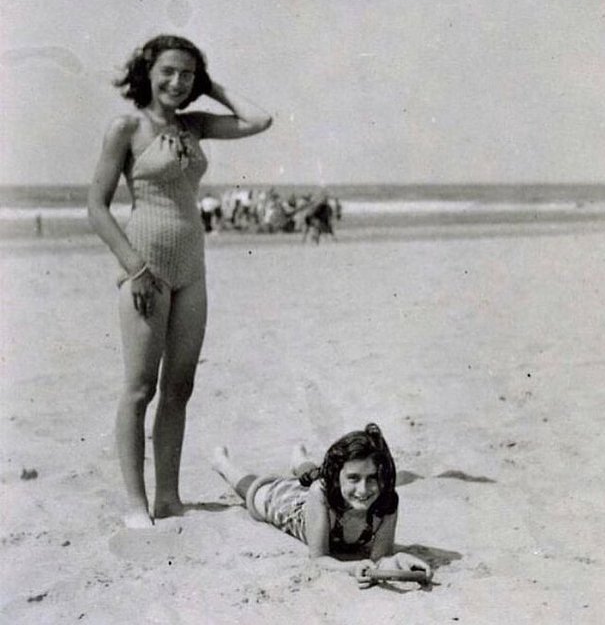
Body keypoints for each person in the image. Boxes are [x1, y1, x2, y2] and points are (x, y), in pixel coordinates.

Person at [88, 35, 272, 528]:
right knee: (139, 387)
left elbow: (259, 119)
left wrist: (213, 86)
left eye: (188, 74)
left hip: (193, 267)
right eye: (168, 71)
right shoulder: (126, 126)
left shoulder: (195, 125)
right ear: (147, 71)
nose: (177, 82)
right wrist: (135, 267)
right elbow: (96, 207)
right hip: (145, 265)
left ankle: (168, 498)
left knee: (180, 386)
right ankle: (135, 504)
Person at [212, 423, 432, 587]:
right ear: (337, 477)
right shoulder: (323, 491)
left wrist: (399, 560)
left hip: (330, 487)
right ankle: (223, 463)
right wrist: (351, 567)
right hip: (296, 508)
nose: (364, 490)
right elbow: (318, 559)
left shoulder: (387, 501)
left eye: (372, 478)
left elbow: (380, 559)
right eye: (354, 478)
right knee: (259, 491)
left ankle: (300, 459)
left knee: (313, 475)